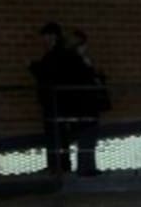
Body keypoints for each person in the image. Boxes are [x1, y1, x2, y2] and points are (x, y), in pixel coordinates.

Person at [29, 22, 79, 173]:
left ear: (52, 36)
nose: (43, 40)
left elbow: (48, 74)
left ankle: (58, 165)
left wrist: (34, 67)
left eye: (45, 36)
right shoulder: (59, 54)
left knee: (55, 134)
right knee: (59, 135)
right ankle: (60, 164)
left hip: (55, 101)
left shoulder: (55, 55)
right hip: (58, 101)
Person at [65, 29, 109, 176]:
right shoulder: (77, 61)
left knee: (87, 137)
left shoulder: (73, 61)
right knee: (87, 136)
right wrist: (94, 74)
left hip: (82, 105)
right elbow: (86, 78)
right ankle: (86, 168)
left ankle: (87, 167)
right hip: (85, 105)